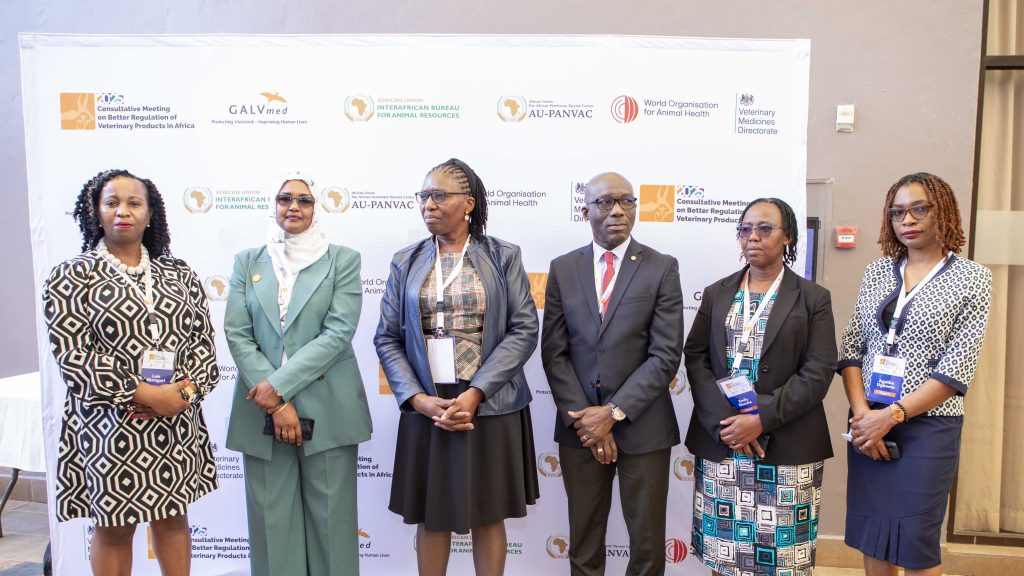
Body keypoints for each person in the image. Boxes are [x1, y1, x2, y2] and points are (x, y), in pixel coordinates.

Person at [42, 169, 219, 576]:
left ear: (151, 213)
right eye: (112, 202)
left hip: (174, 421)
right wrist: (141, 393)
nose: (123, 211)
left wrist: (183, 394)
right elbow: (74, 357)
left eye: (134, 203)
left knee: (173, 518)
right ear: (96, 213)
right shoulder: (71, 276)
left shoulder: (179, 275)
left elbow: (203, 346)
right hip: (109, 426)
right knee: (115, 527)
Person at [374, 158, 540, 576]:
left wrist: (476, 392)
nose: (428, 204)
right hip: (429, 402)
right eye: (424, 196)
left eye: (439, 195)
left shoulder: (504, 255)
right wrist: (416, 399)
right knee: (433, 513)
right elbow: (387, 337)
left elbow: (523, 328)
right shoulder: (405, 261)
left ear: (468, 203)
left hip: (489, 400)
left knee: (488, 512)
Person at [839, 173, 991, 576]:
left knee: (915, 543)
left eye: (919, 208)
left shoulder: (973, 278)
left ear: (943, 211)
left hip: (928, 427)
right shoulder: (876, 272)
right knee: (874, 536)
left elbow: (957, 367)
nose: (907, 219)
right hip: (867, 422)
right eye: (897, 212)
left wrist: (891, 416)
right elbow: (852, 348)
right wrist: (862, 417)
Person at [224, 172, 372, 576]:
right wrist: (274, 400)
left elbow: (339, 332)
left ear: (316, 208)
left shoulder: (342, 259)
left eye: (304, 200)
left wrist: (279, 388)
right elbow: (238, 334)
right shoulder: (248, 262)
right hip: (262, 413)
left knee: (333, 529)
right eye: (285, 198)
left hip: (327, 409)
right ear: (274, 206)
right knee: (272, 530)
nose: (294, 206)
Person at [684, 197, 836, 576]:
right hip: (725, 443)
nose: (753, 237)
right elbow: (696, 356)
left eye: (765, 229)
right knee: (724, 553)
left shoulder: (813, 298)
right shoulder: (717, 293)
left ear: (788, 237)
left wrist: (761, 419)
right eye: (746, 229)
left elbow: (819, 370)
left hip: (786, 444)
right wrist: (727, 423)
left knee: (779, 559)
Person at [541, 172, 684, 576]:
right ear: (585, 210)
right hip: (579, 429)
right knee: (584, 542)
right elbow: (554, 351)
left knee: (646, 545)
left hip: (644, 428)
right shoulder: (564, 268)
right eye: (605, 202)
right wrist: (587, 418)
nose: (617, 210)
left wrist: (613, 412)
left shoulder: (661, 267)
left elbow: (665, 354)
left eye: (626, 201)